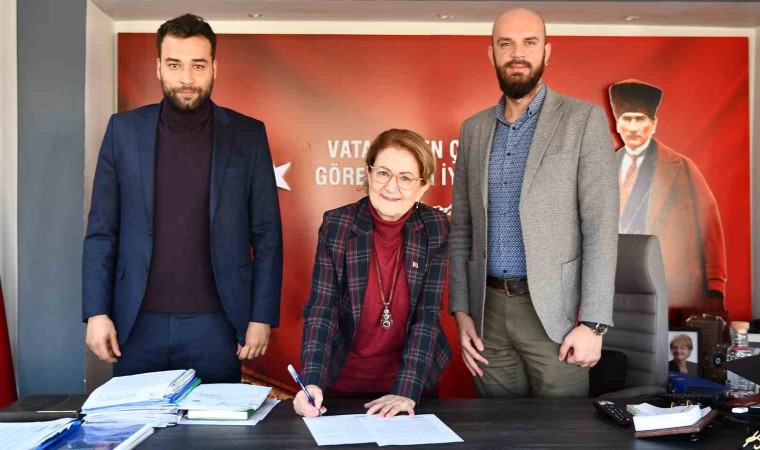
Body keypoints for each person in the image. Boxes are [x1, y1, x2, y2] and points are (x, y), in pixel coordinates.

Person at [82, 14, 283, 383]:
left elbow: (267, 234)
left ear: (214, 67)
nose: (187, 78)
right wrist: (96, 312)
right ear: (158, 67)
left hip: (218, 325)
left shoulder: (248, 134)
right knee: (138, 422)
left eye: (198, 65)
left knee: (215, 423)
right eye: (175, 65)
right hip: (135, 324)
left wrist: (261, 316)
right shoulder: (123, 131)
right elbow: (101, 231)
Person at [449, 8, 618, 398]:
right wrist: (461, 312)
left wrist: (593, 325)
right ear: (491, 54)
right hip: (487, 315)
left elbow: (601, 227)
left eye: (529, 42)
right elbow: (462, 231)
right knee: (497, 427)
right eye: (505, 44)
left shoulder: (583, 121)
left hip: (556, 318)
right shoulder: (473, 130)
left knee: (562, 428)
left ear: (547, 51)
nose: (517, 53)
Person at [295, 129, 451, 418]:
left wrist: (406, 391)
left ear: (422, 187)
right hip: (343, 381)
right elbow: (322, 309)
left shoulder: (435, 227)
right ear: (368, 173)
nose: (391, 187)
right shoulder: (338, 224)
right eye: (383, 173)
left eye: (406, 178)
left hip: (411, 385)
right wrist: (312, 381)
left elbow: (427, 314)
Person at [610, 79, 727, 315]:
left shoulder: (682, 168)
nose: (633, 127)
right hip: (616, 282)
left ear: (653, 124)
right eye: (627, 119)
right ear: (617, 124)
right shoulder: (603, 167)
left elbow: (709, 226)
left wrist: (715, 285)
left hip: (666, 281)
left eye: (640, 119)